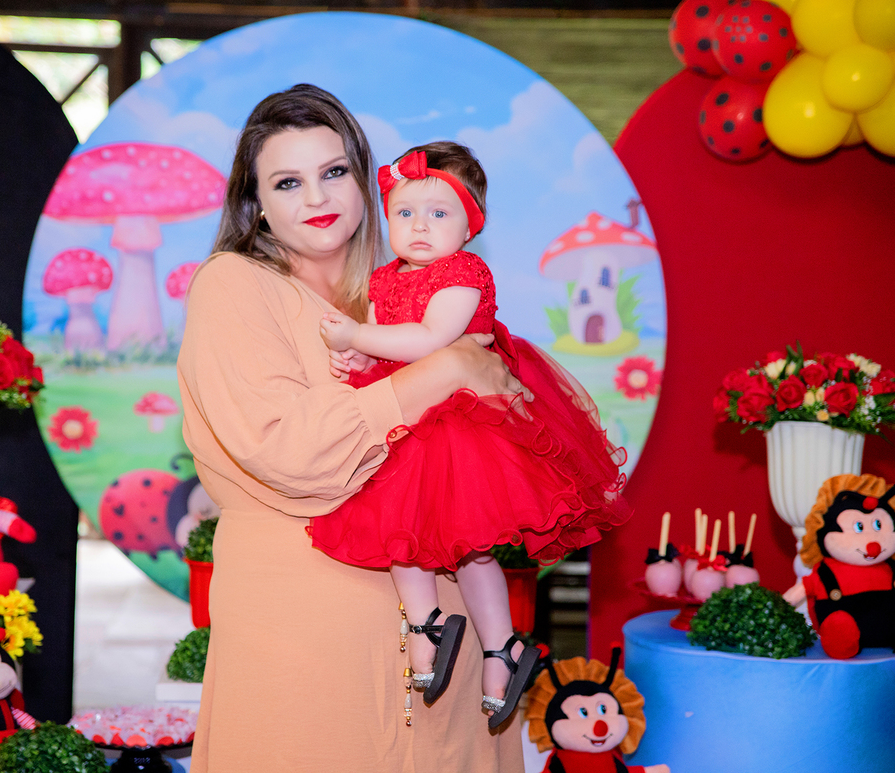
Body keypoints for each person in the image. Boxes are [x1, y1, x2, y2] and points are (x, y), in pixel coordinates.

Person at [177, 85, 528, 772]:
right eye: (288, 181)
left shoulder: (407, 291)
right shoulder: (233, 285)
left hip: (449, 632)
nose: (316, 197)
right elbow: (290, 450)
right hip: (306, 639)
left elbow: (497, 428)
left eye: (334, 172)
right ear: (257, 204)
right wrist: (437, 372)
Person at [309, 142, 630, 729]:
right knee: (396, 532)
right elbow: (388, 351)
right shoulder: (382, 281)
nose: (420, 227)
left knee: (475, 547)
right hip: (406, 422)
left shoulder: (464, 274)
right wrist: (357, 361)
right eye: (405, 214)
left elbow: (433, 340)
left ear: (470, 224)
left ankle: (500, 648)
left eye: (439, 214)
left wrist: (356, 337)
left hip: (463, 427)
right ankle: (427, 625)